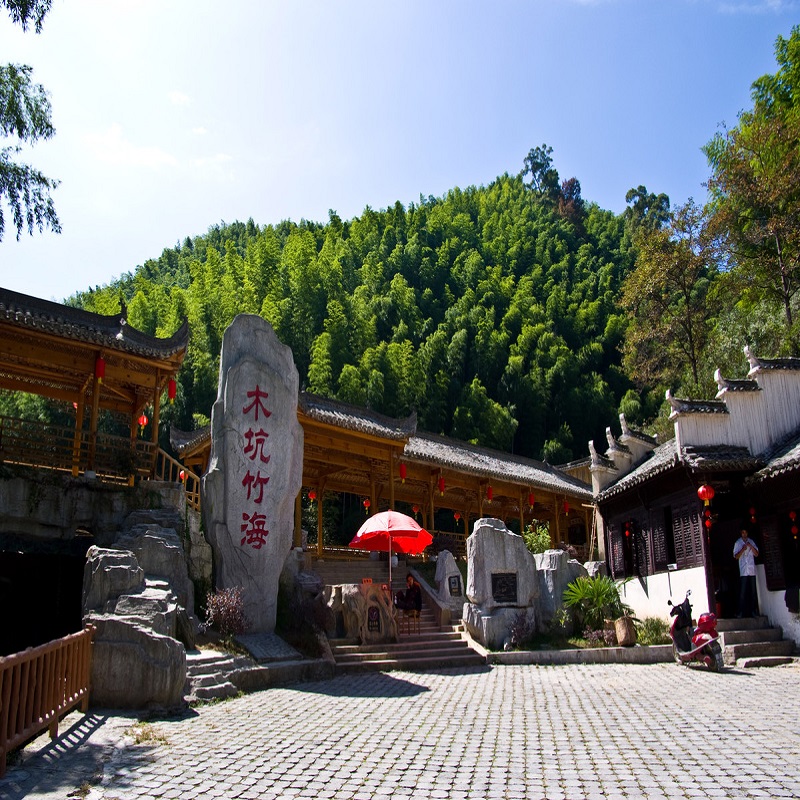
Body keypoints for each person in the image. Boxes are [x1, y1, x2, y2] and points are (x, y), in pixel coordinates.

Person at [733, 528, 759, 618]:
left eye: (745, 532)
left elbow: (756, 554)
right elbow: (736, 556)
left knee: (753, 592)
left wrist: (751, 546)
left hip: (751, 570)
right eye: (742, 532)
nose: (744, 534)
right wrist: (743, 549)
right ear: (741, 533)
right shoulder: (738, 543)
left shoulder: (751, 541)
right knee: (742, 592)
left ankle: (754, 611)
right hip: (743, 570)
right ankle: (740, 612)